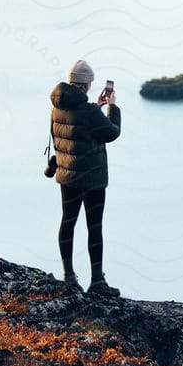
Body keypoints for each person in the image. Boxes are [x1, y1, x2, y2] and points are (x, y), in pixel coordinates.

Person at [50, 58, 122, 297]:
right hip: (92, 179)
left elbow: (72, 130)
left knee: (68, 222)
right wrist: (112, 107)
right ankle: (97, 282)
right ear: (85, 84)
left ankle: (69, 277)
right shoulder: (88, 111)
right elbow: (112, 132)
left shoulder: (58, 106)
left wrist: (96, 108)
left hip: (67, 176)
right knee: (94, 227)